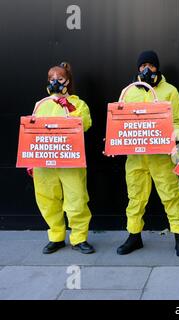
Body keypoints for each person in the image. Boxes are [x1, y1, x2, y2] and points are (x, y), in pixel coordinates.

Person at [116, 50, 179, 257]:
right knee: (135, 198)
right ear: (137, 68)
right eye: (142, 66)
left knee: (171, 195)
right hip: (136, 158)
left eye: (150, 65)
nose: (146, 69)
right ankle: (134, 236)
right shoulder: (128, 92)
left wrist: (170, 136)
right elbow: (119, 123)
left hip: (162, 157)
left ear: (157, 67)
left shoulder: (170, 91)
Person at [30, 62, 95, 254]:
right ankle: (56, 237)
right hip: (45, 163)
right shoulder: (41, 105)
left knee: (76, 200)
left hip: (70, 161)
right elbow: (32, 133)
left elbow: (85, 124)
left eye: (59, 78)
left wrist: (69, 107)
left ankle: (79, 238)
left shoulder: (78, 103)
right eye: (51, 79)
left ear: (68, 80)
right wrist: (30, 161)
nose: (55, 82)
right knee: (47, 200)